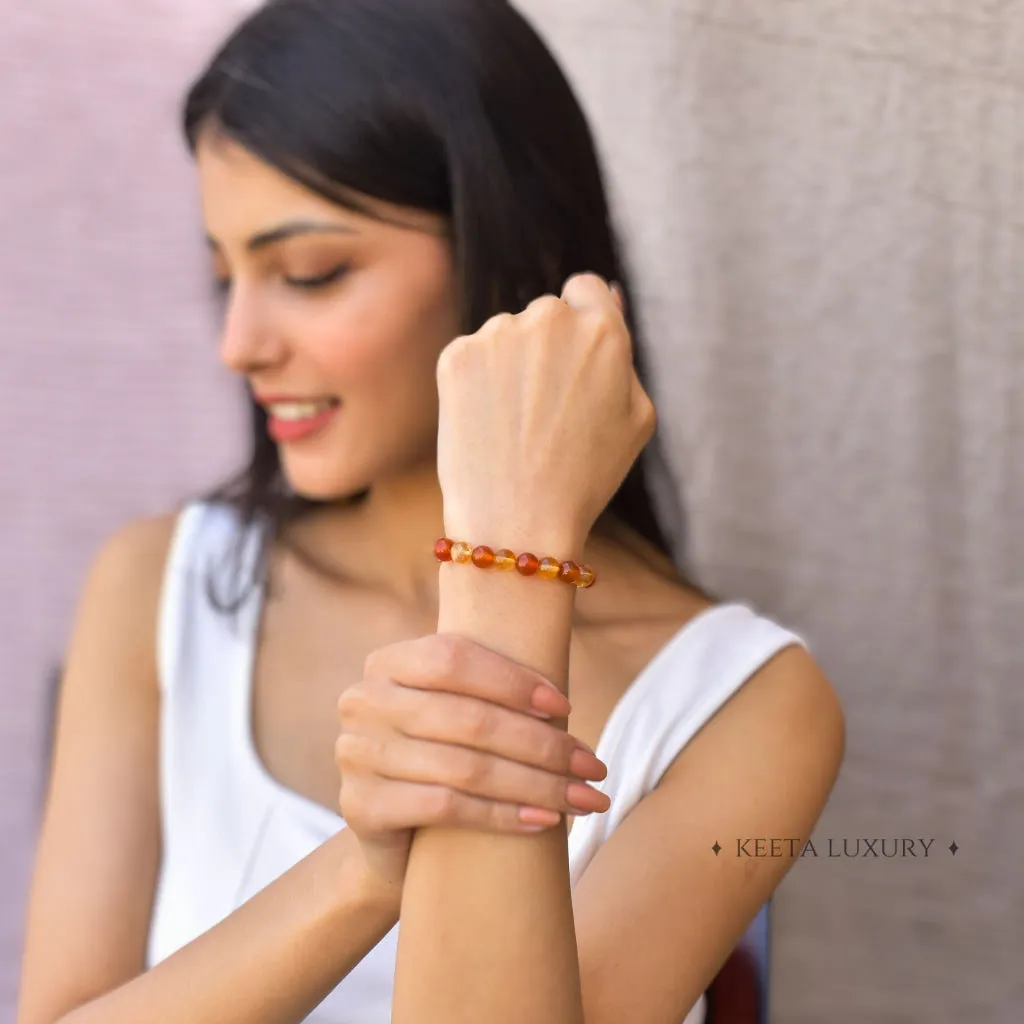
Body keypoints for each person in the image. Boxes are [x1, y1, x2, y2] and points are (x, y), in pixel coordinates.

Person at [16, 2, 846, 1022]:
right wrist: (360, 871)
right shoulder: (160, 582)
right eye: (223, 275)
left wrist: (510, 554)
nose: (238, 343)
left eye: (309, 273)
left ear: (504, 250)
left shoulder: (745, 705)